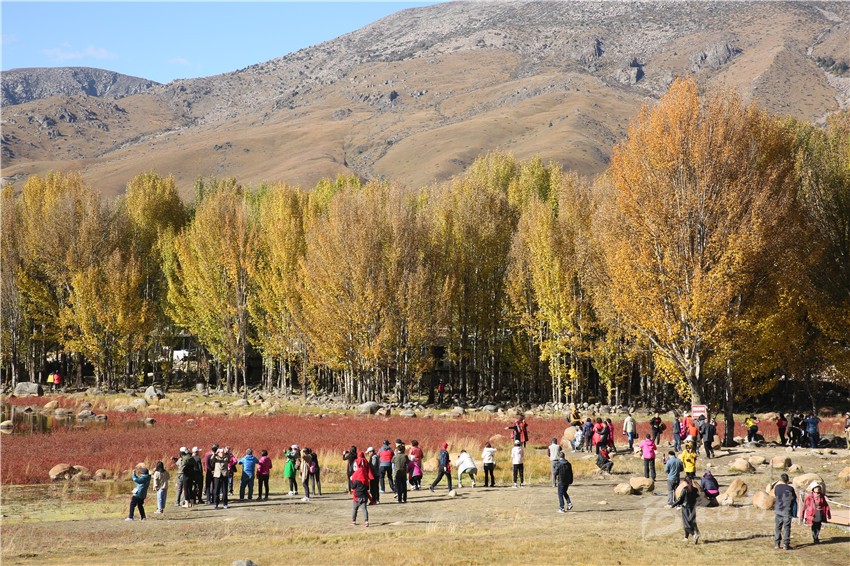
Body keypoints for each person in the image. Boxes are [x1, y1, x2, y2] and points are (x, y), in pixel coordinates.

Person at [350, 453, 375, 526]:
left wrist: (351, 481)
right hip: (364, 497)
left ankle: (353, 521)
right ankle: (366, 521)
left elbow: (353, 487)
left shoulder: (356, 480)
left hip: (357, 497)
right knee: (364, 509)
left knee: (355, 509)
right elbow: (367, 489)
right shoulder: (366, 482)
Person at [773, 473, 797, 550]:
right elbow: (794, 498)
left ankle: (777, 544)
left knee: (778, 527)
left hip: (778, 509)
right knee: (787, 527)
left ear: (781, 479)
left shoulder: (777, 487)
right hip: (787, 510)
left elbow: (776, 495)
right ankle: (786, 544)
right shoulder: (790, 488)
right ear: (788, 480)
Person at [674, 477, 700, 544]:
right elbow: (698, 498)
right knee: (692, 522)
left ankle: (694, 534)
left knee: (686, 525)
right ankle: (686, 537)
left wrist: (673, 505)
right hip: (693, 508)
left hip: (685, 508)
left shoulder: (685, 489)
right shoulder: (695, 489)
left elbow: (680, 500)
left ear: (685, 482)